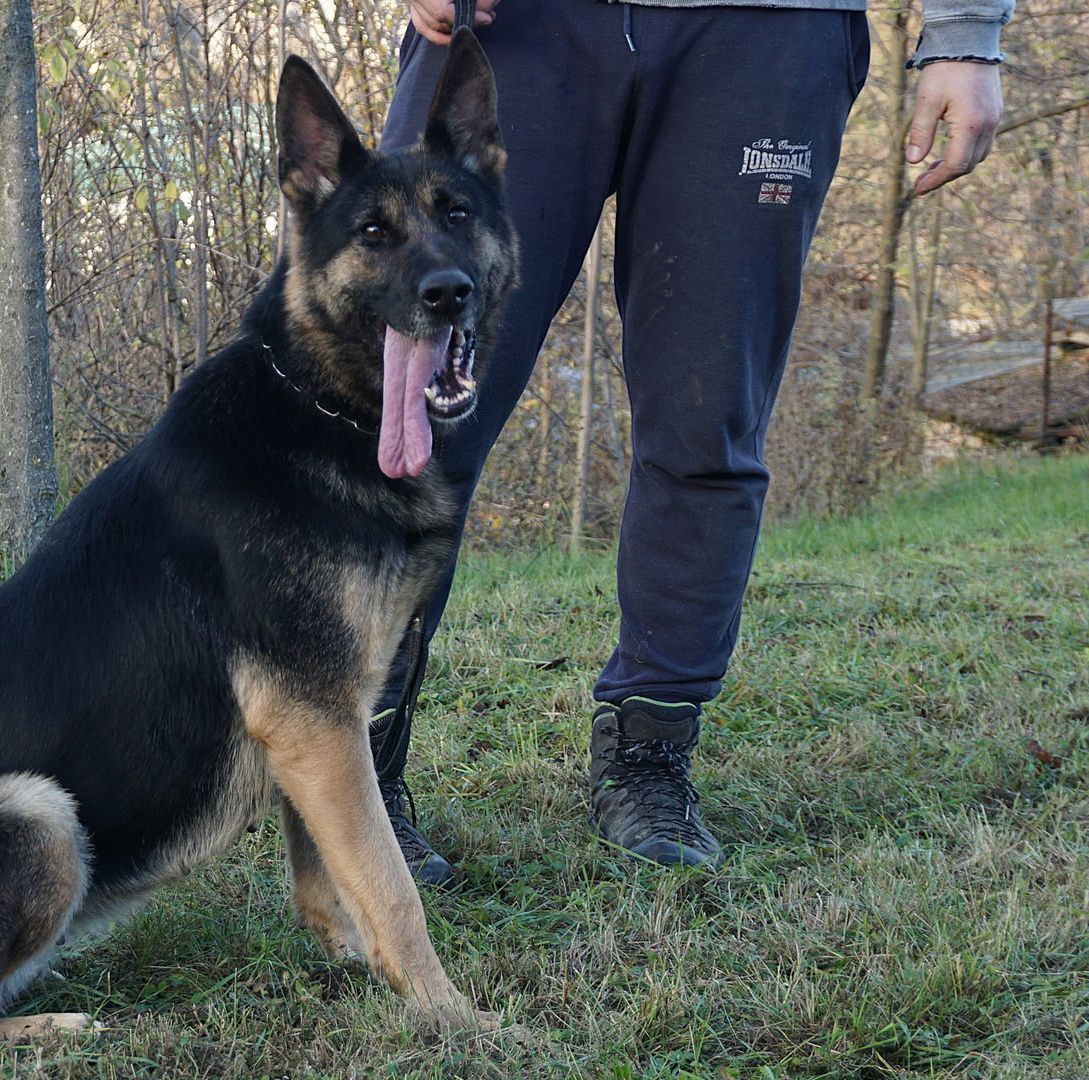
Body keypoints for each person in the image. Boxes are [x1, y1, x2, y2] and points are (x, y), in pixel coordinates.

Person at [371, 0, 1012, 879]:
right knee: (406, 413)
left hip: (767, 34)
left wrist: (967, 35)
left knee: (707, 418)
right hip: (515, 22)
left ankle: (649, 749)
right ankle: (356, 756)